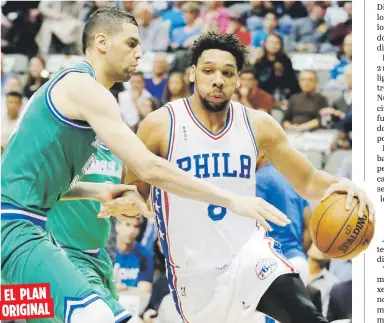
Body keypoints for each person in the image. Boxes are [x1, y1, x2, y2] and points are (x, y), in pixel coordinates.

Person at [1, 9, 291, 323]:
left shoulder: (77, 95)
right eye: (130, 43)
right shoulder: (84, 88)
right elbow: (149, 167)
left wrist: (98, 189)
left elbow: (31, 180)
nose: (140, 53)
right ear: (101, 42)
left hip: (38, 231)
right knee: (95, 315)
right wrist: (231, 198)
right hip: (17, 228)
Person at [124, 32, 374, 323]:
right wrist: (130, 201)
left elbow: (306, 180)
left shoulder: (258, 125)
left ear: (238, 80)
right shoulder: (159, 125)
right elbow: (133, 190)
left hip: (249, 256)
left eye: (227, 73)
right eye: (208, 70)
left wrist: (342, 186)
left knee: (305, 314)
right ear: (192, 73)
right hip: (193, 274)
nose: (218, 79)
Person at [45, 146, 132, 323]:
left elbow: (120, 203)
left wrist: (129, 205)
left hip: (99, 256)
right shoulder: (69, 139)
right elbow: (42, 185)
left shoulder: (118, 150)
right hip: (66, 254)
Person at [256, 153, 312, 285]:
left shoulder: (258, 179)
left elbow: (253, 226)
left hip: (273, 267)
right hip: (300, 262)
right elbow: (310, 231)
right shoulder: (294, 179)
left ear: (261, 154)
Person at [114, 217, 154, 292]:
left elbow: (145, 289)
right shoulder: (104, 253)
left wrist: (124, 289)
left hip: (134, 301)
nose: (131, 231)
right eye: (128, 224)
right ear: (117, 226)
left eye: (136, 226)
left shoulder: (144, 255)